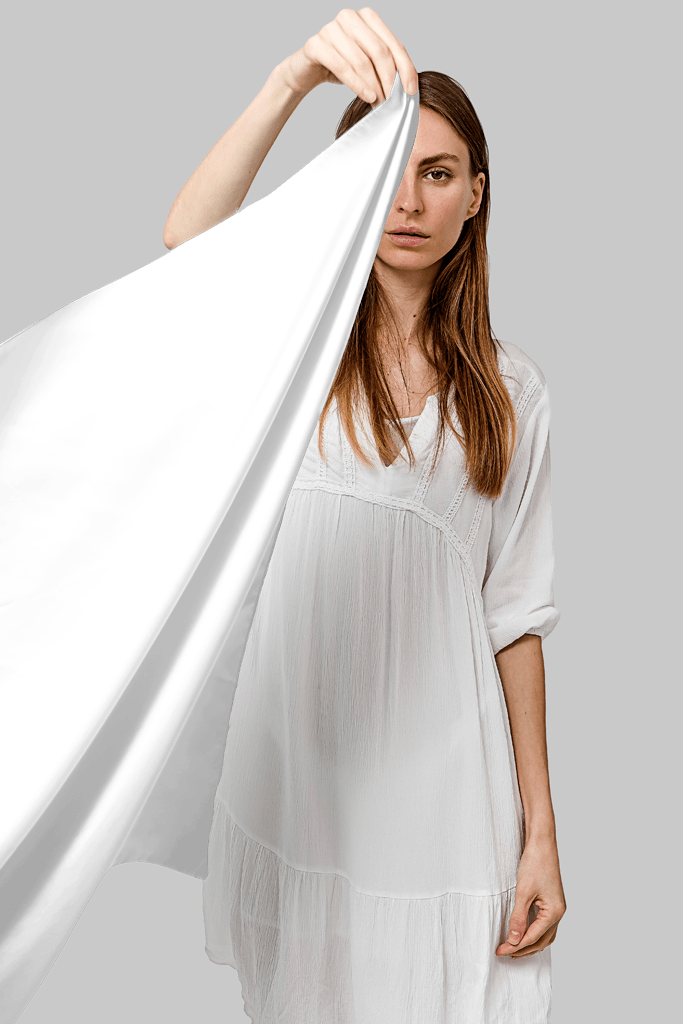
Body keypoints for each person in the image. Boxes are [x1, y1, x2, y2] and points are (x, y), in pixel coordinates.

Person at [163, 8, 567, 1022]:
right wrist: (292, 79)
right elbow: (187, 242)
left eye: (438, 172)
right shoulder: (286, 334)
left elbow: (515, 615)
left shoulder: (512, 393)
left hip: (445, 790)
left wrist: (541, 834)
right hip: (299, 776)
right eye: (384, 169)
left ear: (475, 194)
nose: (409, 199)